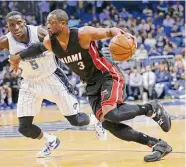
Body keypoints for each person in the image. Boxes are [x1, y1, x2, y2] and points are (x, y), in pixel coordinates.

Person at [10, 9, 172, 162]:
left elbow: (110, 31)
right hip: (90, 84)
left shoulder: (83, 34)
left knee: (111, 114)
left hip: (107, 76)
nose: (48, 25)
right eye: (47, 22)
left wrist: (121, 35)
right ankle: (156, 144)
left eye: (52, 22)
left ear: (63, 24)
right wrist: (18, 57)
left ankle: (151, 108)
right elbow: (37, 48)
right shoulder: (49, 42)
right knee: (108, 124)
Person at [1, 11, 106, 158]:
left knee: (76, 120)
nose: (16, 27)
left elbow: (61, 44)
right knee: (24, 128)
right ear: (7, 27)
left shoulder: (39, 32)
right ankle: (51, 140)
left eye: (19, 23)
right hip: (29, 83)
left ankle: (94, 121)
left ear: (24, 22)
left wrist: (17, 57)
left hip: (52, 78)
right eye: (12, 25)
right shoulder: (5, 41)